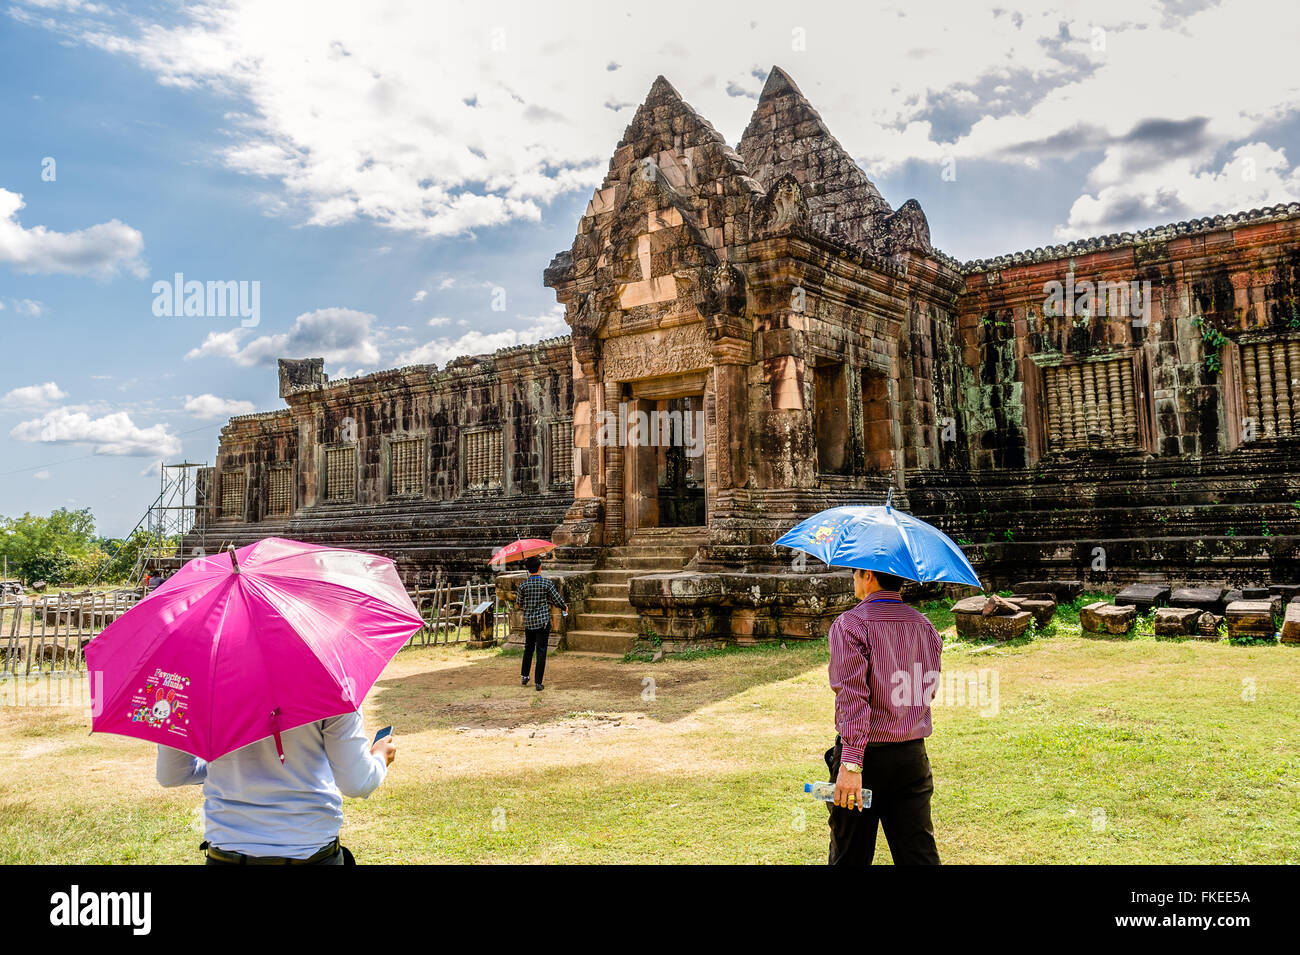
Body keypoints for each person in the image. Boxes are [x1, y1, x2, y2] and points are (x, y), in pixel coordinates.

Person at [156, 711, 396, 864]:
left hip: (226, 854)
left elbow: (172, 774)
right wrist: (379, 757)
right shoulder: (331, 681)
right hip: (310, 852)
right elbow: (356, 782)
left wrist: (226, 768)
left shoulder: (194, 684)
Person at [825, 568, 942, 865]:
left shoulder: (851, 625)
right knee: (919, 857)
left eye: (854, 573)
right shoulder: (924, 626)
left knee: (850, 856)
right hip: (911, 757)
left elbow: (852, 696)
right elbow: (927, 690)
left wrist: (851, 763)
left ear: (868, 575)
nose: (853, 579)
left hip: (866, 760)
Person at [516, 554, 567, 691]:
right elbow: (557, 599)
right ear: (540, 567)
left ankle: (525, 676)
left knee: (528, 649)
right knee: (541, 650)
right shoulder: (546, 583)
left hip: (529, 621)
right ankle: (538, 682)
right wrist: (564, 607)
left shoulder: (523, 585)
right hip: (543, 621)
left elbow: (519, 603)